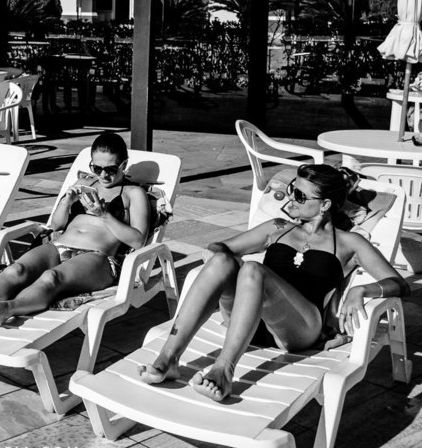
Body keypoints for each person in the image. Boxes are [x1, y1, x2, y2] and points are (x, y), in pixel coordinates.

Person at [138, 163, 408, 402]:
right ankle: (169, 358)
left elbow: (398, 283)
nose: (292, 198)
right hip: (251, 322)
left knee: (253, 270)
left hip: (300, 329)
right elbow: (221, 246)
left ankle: (223, 371)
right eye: (292, 189)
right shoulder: (278, 227)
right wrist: (216, 255)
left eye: (300, 195)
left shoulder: (350, 243)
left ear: (325, 205)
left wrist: (363, 289)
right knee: (222, 261)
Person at [0, 131, 152, 326]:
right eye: (97, 168)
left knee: (51, 278)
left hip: (98, 257)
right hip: (59, 245)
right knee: (16, 270)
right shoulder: (84, 182)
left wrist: (104, 215)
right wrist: (66, 202)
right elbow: (56, 225)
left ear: (124, 165)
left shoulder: (134, 194)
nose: (103, 175)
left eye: (111, 169)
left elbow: (138, 240)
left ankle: (5, 309)